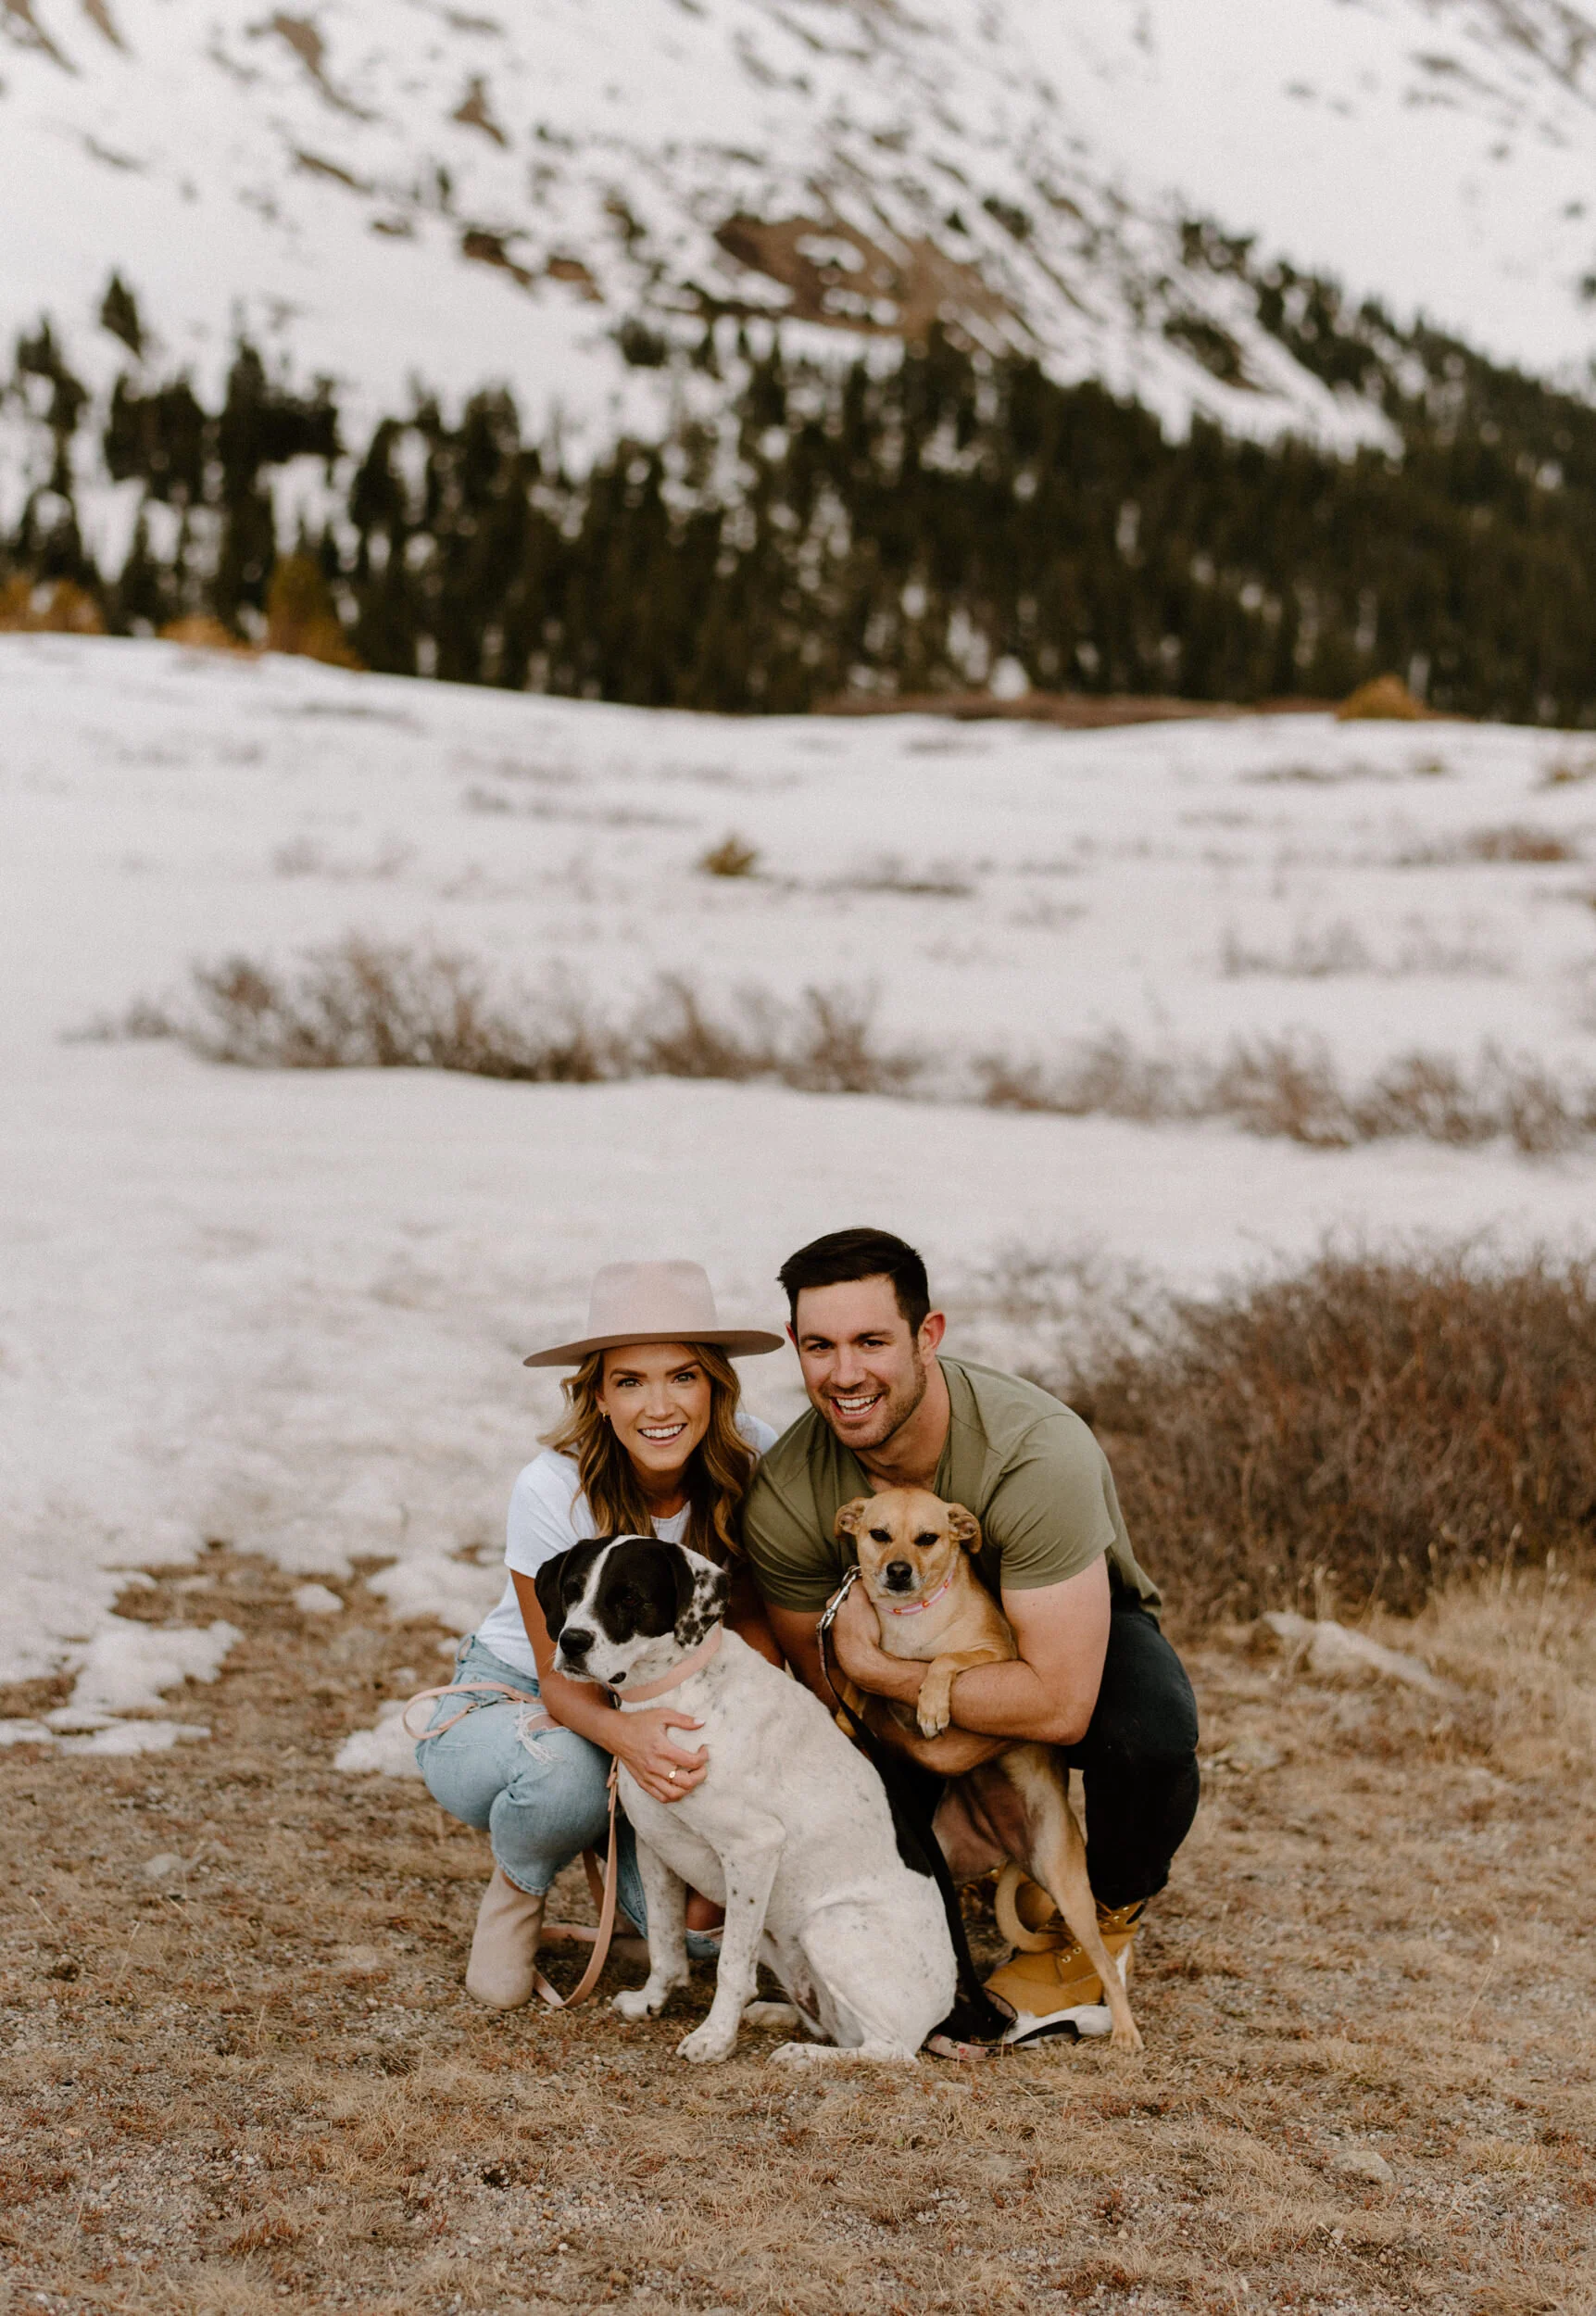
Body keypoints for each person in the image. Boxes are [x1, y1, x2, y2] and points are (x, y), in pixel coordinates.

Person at [741, 1227, 1200, 2025]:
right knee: (860, 1784)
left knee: (1148, 1733)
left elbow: (1057, 1704)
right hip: (906, 1679)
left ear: (928, 1336)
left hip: (1060, 1634)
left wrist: (891, 1680)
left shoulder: (1035, 1450)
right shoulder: (787, 1494)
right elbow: (836, 1706)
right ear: (794, 1346)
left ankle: (1098, 1922)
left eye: (871, 1342)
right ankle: (930, 1949)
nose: (844, 1374)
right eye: (819, 1346)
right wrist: (924, 1742)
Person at [418, 1260, 785, 2008]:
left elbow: (749, 1616)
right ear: (596, 1394)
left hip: (668, 1685)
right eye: (629, 1382)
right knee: (564, 1782)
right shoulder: (554, 1485)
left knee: (700, 1936)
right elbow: (558, 1676)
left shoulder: (753, 1457)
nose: (659, 1406)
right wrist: (630, 1740)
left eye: (682, 1377)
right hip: (527, 1693)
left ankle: (625, 1878)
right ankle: (522, 1884)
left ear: (716, 1385)